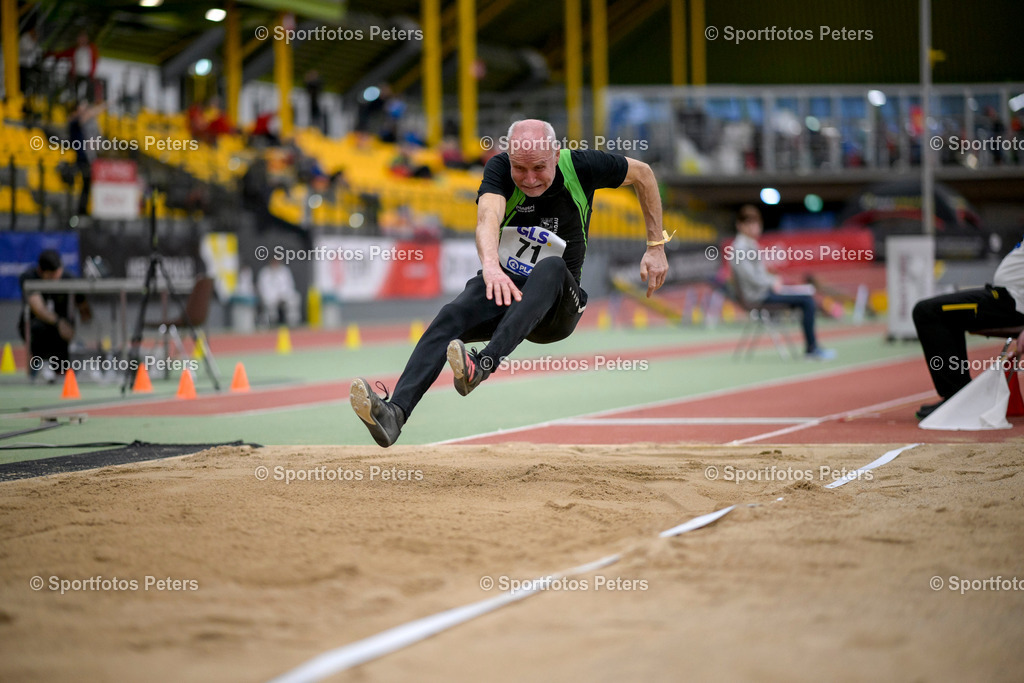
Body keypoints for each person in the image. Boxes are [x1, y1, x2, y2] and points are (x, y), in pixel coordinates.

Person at [350, 119, 670, 447]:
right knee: (451, 316)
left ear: (556, 155)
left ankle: (482, 363)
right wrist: (490, 267)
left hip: (557, 309)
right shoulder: (500, 169)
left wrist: (655, 246)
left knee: (551, 267)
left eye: (539, 168)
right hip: (509, 290)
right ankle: (395, 415)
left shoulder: (582, 166)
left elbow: (643, 173)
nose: (530, 179)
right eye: (521, 168)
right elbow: (488, 217)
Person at [912, 236, 1024, 419]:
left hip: (1011, 303)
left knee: (928, 312)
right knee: (941, 313)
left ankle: (958, 400)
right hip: (1005, 297)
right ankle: (961, 399)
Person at [730, 204, 836, 360]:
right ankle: (811, 348)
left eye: (757, 223)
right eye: (750, 223)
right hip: (758, 297)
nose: (755, 227)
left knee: (806, 293)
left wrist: (773, 279)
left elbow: (758, 275)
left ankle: (812, 347)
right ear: (740, 225)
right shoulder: (739, 248)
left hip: (764, 292)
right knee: (807, 301)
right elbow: (751, 278)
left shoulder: (751, 245)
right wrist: (772, 282)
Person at [18, 249, 92, 381]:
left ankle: (60, 367)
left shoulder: (69, 278)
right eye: (52, 275)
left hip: (61, 335)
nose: (56, 278)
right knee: (39, 328)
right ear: (41, 271)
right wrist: (59, 323)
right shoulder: (29, 278)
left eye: (59, 273)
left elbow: (84, 308)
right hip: (38, 329)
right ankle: (40, 363)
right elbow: (38, 308)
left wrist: (84, 329)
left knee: (63, 369)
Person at [257, 258, 301, 327]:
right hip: (270, 298)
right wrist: (273, 297)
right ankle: (271, 323)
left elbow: (290, 286)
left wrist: (282, 295)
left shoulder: (285, 271)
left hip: (283, 296)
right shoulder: (265, 273)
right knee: (269, 305)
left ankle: (293, 323)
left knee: (294, 299)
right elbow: (263, 289)